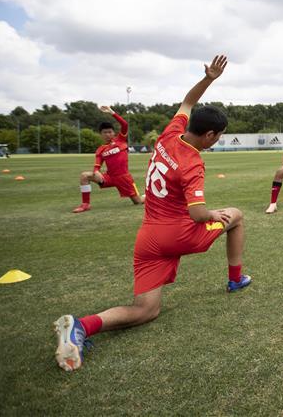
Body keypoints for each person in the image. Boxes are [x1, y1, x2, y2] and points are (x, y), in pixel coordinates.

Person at [53, 56, 252, 372]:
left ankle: (81, 326)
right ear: (212, 135)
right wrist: (216, 213)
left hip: (148, 238)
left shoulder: (169, 135)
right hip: (179, 235)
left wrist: (209, 79)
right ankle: (235, 279)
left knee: (146, 310)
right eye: (220, 135)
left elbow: (188, 101)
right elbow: (199, 213)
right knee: (237, 215)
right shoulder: (193, 162)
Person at [73, 106, 144, 213]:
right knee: (85, 176)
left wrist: (111, 112)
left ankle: (149, 195)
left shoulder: (120, 140)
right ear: (101, 134)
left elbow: (125, 124)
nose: (108, 134)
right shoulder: (100, 150)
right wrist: (96, 171)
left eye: (110, 132)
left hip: (124, 178)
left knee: (138, 201)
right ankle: (85, 204)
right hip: (109, 177)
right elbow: (97, 165)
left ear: (113, 132)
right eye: (105, 132)